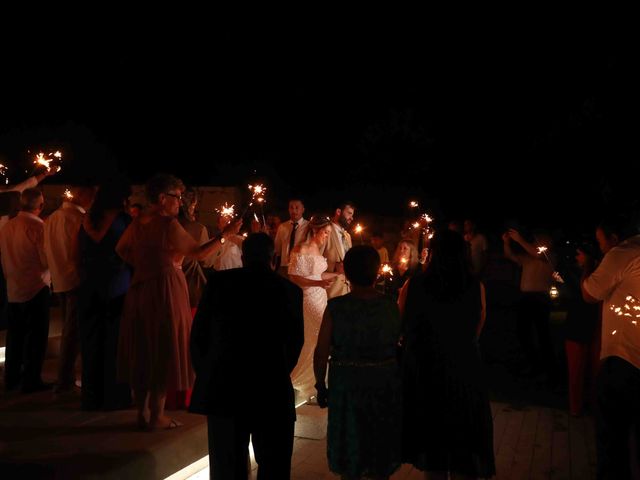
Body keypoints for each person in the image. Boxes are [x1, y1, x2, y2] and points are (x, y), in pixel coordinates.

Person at [116, 173, 231, 431]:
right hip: (166, 289)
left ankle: (141, 413)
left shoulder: (137, 222)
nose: (180, 202)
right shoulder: (169, 224)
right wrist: (224, 236)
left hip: (141, 288)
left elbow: (121, 249)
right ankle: (157, 415)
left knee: (144, 347)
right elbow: (198, 253)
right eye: (177, 197)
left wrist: (146, 264)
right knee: (164, 348)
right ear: (162, 198)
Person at [190, 232, 304, 480]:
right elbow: (295, 343)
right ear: (272, 258)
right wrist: (278, 370)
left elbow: (199, 335)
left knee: (227, 467)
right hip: (271, 386)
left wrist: (208, 372)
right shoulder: (289, 291)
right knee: (274, 465)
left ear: (242, 257)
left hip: (224, 386)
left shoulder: (219, 284)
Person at [401, 229, 495, 479]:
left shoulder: (415, 284)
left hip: (427, 372)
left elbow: (403, 322)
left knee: (435, 453)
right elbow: (478, 327)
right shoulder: (476, 286)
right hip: (464, 370)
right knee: (464, 448)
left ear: (433, 253)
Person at [314, 245, 402, 479]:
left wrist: (320, 386)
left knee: (350, 448)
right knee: (378, 446)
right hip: (382, 384)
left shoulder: (336, 307)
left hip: (346, 386)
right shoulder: (390, 305)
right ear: (376, 273)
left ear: (349, 274)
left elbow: (321, 351)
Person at [582, 214, 640, 479]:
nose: (602, 248)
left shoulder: (622, 253)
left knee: (612, 443)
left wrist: (587, 266)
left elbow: (589, 293)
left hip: (625, 360)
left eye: (601, 242)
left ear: (615, 238)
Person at [77, 177, 133, 410]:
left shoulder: (86, 219)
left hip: (89, 286)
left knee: (91, 342)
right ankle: (115, 397)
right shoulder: (124, 220)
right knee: (115, 344)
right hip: (117, 287)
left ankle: (91, 396)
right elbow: (132, 253)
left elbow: (75, 254)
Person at [44, 185, 96, 394]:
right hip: (76, 280)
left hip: (58, 279)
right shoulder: (78, 219)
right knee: (73, 332)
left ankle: (66, 377)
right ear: (83, 196)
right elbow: (80, 253)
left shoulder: (53, 218)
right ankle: (65, 379)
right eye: (92, 196)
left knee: (70, 330)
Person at [0, 188, 51, 393]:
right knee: (36, 337)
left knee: (15, 335)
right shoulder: (38, 227)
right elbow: (45, 259)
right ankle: (31, 379)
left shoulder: (7, 226)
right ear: (40, 206)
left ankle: (11, 378)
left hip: (13, 285)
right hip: (35, 286)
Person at [288, 215, 339, 401]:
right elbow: (293, 276)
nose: (326, 237)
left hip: (320, 298)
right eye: (325, 233)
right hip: (307, 297)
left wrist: (336, 274)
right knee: (315, 335)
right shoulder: (300, 248)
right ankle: (301, 379)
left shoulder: (317, 249)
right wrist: (316, 284)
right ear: (316, 230)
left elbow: (319, 273)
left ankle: (313, 380)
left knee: (319, 336)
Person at [502, 228, 558, 386]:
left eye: (540, 241)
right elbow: (510, 256)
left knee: (543, 335)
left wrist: (519, 239)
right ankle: (534, 365)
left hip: (540, 298)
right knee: (523, 333)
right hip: (526, 298)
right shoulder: (529, 257)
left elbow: (538, 254)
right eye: (536, 241)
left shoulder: (550, 257)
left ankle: (549, 371)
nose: (536, 243)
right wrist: (506, 243)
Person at [323, 201, 355, 299]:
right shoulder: (325, 231)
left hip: (346, 290)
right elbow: (315, 259)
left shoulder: (347, 236)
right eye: (349, 213)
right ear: (338, 212)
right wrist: (333, 269)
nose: (351, 218)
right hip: (329, 290)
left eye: (352, 215)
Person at [274, 197, 308, 277]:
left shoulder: (308, 226)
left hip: (300, 266)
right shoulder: (282, 226)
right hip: (284, 266)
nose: (294, 211)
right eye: (291, 208)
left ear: (303, 209)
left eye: (297, 207)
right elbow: (277, 248)